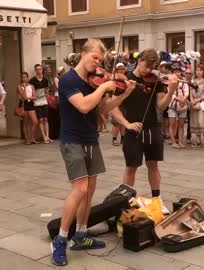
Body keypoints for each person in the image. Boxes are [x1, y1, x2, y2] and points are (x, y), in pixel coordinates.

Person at [51, 38, 136, 267]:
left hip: (91, 139)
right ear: (82, 54)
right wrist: (102, 87)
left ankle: (80, 235)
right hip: (72, 141)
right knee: (79, 189)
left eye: (100, 59)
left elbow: (103, 110)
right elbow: (84, 106)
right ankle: (60, 239)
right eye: (95, 58)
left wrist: (124, 94)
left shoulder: (93, 81)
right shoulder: (68, 80)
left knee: (90, 190)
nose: (98, 64)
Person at [110, 48, 179, 215]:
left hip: (152, 126)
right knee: (131, 166)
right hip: (133, 129)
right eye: (146, 66)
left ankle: (157, 199)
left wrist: (170, 91)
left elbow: (161, 106)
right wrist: (127, 124)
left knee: (153, 165)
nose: (148, 70)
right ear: (139, 60)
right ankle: (126, 200)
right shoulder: (125, 79)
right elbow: (113, 106)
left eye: (151, 67)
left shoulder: (156, 81)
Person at [168, 65, 189, 148]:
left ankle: (180, 141)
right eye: (175, 72)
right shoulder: (169, 82)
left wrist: (183, 99)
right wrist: (179, 99)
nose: (177, 73)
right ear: (172, 73)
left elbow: (186, 92)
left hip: (183, 106)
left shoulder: (184, 82)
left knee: (181, 125)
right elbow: (170, 93)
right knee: (172, 124)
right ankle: (173, 142)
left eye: (178, 72)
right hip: (173, 106)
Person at [190, 64, 204, 146]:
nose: (199, 72)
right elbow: (190, 93)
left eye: (201, 70)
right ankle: (198, 138)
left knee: (202, 121)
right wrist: (192, 101)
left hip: (202, 102)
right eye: (197, 70)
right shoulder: (192, 81)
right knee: (195, 121)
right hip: (194, 102)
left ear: (203, 72)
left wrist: (197, 100)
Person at [30, 64, 51, 144]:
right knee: (41, 119)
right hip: (37, 102)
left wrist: (47, 94)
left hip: (44, 100)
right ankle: (44, 137)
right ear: (35, 70)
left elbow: (46, 90)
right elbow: (32, 92)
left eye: (40, 69)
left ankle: (48, 136)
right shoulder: (32, 81)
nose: (39, 71)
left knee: (46, 119)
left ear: (42, 70)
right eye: (37, 69)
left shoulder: (45, 80)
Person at [18, 72, 38, 145]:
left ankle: (32, 137)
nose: (24, 79)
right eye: (23, 77)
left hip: (31, 104)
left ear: (28, 77)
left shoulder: (32, 86)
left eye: (25, 77)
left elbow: (35, 97)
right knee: (25, 122)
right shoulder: (19, 86)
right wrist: (25, 87)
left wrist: (29, 98)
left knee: (35, 122)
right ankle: (27, 139)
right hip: (24, 104)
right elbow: (24, 97)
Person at [185, 68, 193, 144]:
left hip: (191, 104)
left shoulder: (193, 83)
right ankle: (177, 137)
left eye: (189, 73)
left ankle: (188, 137)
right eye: (186, 73)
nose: (188, 75)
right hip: (183, 103)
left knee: (190, 122)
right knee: (179, 122)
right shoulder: (182, 82)